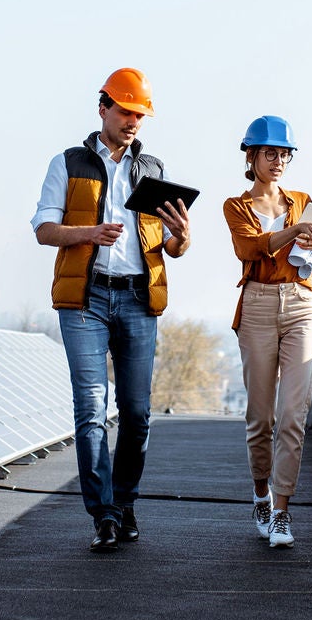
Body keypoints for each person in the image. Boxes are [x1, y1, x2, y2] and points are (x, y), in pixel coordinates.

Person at [31, 68, 193, 552]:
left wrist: (183, 236)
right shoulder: (68, 163)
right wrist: (88, 233)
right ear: (102, 108)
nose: (133, 122)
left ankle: (124, 504)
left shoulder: (154, 170)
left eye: (140, 115)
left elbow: (170, 245)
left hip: (139, 298)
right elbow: (43, 228)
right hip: (86, 299)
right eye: (126, 111)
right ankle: (101, 513)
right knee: (92, 410)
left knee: (138, 413)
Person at [222, 116, 312, 549]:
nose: (279, 160)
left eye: (285, 153)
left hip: (302, 303)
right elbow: (248, 248)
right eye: (271, 153)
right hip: (258, 305)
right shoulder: (236, 205)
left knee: (293, 416)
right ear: (251, 156)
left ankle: (283, 512)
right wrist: (293, 231)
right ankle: (260, 495)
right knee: (261, 417)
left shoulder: (304, 201)